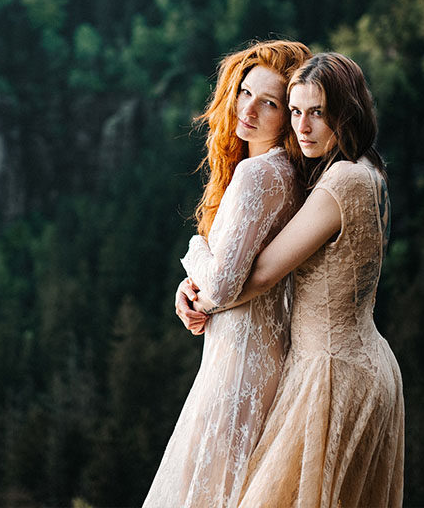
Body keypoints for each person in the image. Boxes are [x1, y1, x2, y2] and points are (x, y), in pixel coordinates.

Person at [181, 51, 404, 508]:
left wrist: (195, 254)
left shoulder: (341, 181)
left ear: (347, 113)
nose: (302, 128)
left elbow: (260, 275)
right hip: (361, 362)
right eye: (297, 111)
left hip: (330, 370)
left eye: (317, 113)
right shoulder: (370, 170)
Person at [143, 40, 311, 508]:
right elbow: (238, 269)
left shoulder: (258, 175)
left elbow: (220, 283)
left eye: (270, 102)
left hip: (236, 369)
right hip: (261, 360)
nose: (250, 109)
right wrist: (190, 290)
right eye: (245, 92)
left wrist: (194, 251)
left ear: (289, 116)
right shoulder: (289, 175)